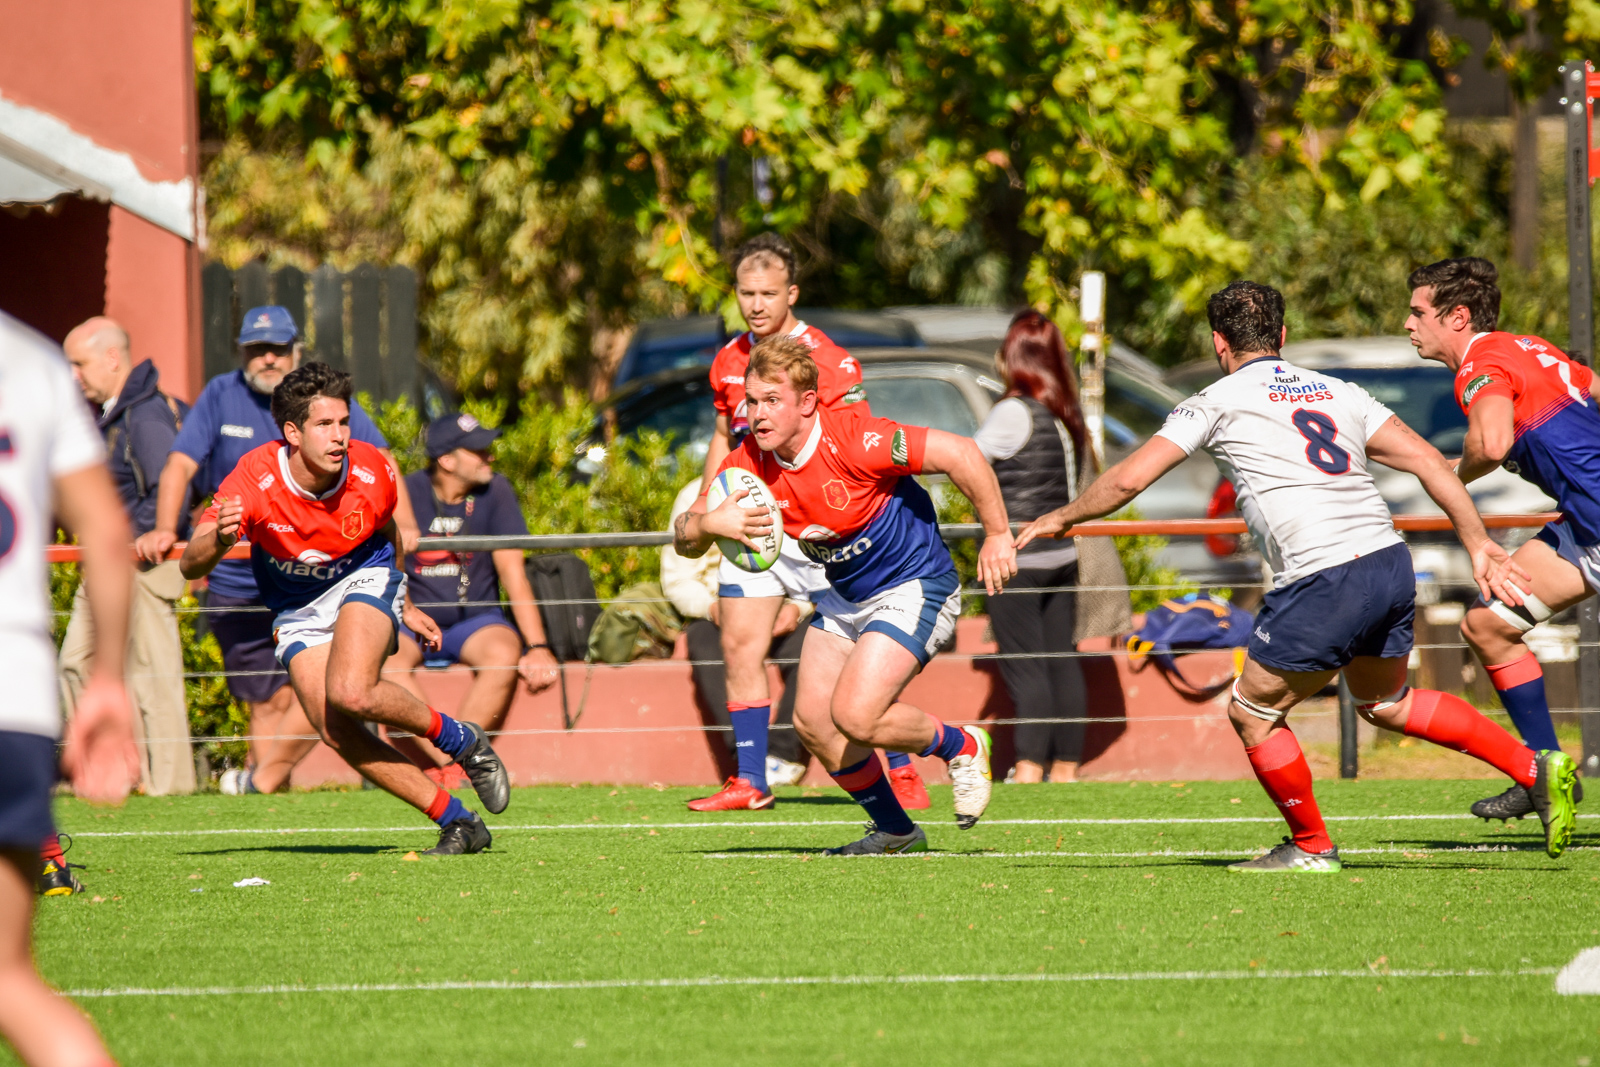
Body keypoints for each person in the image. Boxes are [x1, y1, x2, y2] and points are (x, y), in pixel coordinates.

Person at [1018, 281, 1579, 870]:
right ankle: (1534, 768)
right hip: (1388, 562)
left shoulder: (1214, 401)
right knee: (1386, 701)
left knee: (1252, 713)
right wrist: (1478, 542)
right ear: (1282, 335)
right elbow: (1428, 462)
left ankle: (1311, 846)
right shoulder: (1341, 391)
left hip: (1323, 574)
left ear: (1219, 343)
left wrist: (1064, 516)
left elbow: (1129, 479)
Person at [675, 336, 1016, 855]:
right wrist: (708, 523)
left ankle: (962, 744)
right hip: (847, 597)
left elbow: (961, 453)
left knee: (857, 716)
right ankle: (896, 831)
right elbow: (685, 534)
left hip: (915, 583)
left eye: (772, 401)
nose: (757, 415)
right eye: (752, 401)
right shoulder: (745, 464)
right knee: (814, 725)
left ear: (808, 402)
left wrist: (996, 534)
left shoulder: (858, 439)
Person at [180, 362, 509, 855]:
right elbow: (190, 562)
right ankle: (458, 821)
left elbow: (389, 532)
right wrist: (222, 537)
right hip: (297, 605)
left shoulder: (371, 469)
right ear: (292, 433)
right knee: (336, 730)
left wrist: (403, 602)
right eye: (324, 425)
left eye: (344, 422)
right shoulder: (254, 477)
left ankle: (460, 740)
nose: (340, 436)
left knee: (351, 691)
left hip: (364, 575)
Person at [136, 306, 420, 795]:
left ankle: (264, 781)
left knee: (329, 688)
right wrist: (166, 527)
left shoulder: (325, 406)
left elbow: (380, 463)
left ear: (296, 351)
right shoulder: (221, 395)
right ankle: (269, 795)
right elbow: (180, 464)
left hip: (325, 577)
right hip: (240, 578)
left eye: (278, 349)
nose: (268, 358)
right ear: (242, 353)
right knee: (265, 700)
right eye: (257, 349)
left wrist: (406, 524)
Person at [688, 233, 929, 811]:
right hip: (751, 518)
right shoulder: (728, 360)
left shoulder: (829, 360)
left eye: (768, 293)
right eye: (746, 293)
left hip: (818, 525)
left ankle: (901, 770)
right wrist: (704, 503)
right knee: (739, 644)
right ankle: (751, 780)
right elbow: (724, 435)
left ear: (791, 293)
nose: (756, 305)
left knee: (863, 648)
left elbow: (857, 441)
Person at [1405, 257, 1595, 821]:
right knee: (1488, 626)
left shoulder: (1481, 362)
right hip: (1585, 526)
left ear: (1457, 316)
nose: (1408, 324)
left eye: (1418, 312)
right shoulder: (1527, 346)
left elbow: (1491, 443)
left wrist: (1449, 476)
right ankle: (1547, 774)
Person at [0, 309, 141, 1066]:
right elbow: (108, 533)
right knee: (9, 980)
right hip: (15, 693)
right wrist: (108, 682)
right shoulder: (33, 362)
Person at [384, 412, 560, 785]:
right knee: (385, 665)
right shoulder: (407, 491)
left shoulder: (496, 490)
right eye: (478, 451)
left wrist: (538, 646)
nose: (489, 456)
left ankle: (453, 767)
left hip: (475, 621)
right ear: (447, 460)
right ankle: (455, 759)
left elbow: (514, 574)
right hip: (413, 619)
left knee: (502, 653)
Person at [58, 317, 194, 797]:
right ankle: (113, 769)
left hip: (145, 565)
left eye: (79, 363)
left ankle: (170, 789)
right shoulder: (115, 413)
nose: (73, 375)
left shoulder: (146, 414)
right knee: (75, 662)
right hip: (113, 564)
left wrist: (145, 535)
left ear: (112, 358)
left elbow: (173, 483)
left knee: (153, 678)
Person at [975, 311, 1091, 784]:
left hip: (1019, 559)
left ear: (1013, 356)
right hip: (1063, 557)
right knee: (1062, 659)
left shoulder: (1012, 411)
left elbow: (966, 460)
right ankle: (1065, 768)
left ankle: (1027, 767)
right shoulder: (1063, 413)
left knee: (1025, 667)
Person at [662, 479, 816, 788]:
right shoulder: (693, 495)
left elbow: (815, 564)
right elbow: (677, 579)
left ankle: (782, 756)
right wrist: (712, 608)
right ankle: (748, 758)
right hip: (717, 611)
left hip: (783, 609)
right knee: (703, 643)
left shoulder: (794, 482)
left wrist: (798, 608)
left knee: (815, 644)